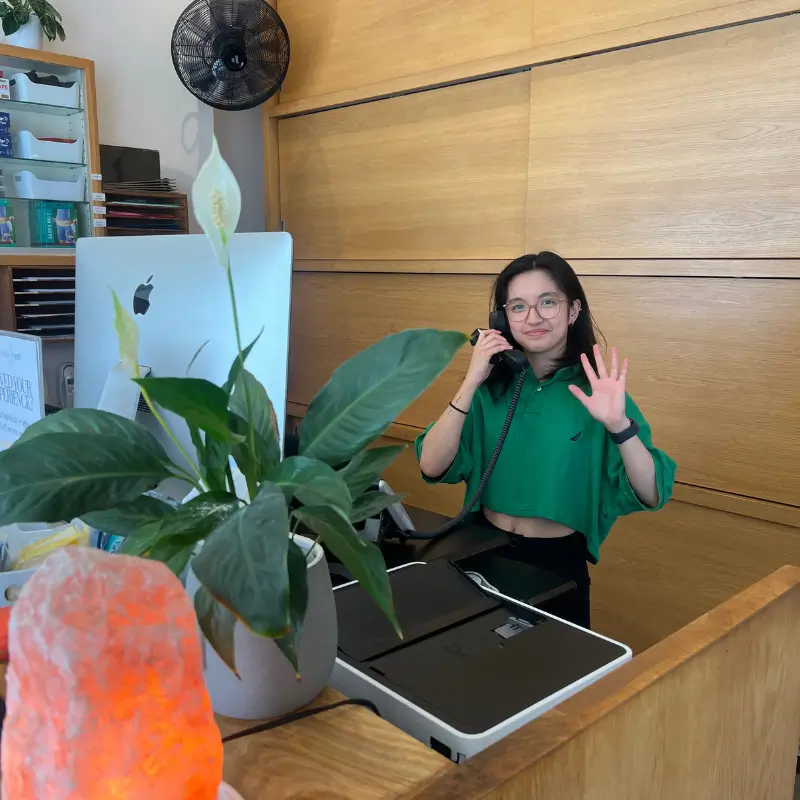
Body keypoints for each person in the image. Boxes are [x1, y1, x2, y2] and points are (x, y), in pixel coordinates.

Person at [415, 252, 676, 629]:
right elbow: (431, 465)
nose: (533, 318)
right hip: (482, 549)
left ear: (572, 312)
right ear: (502, 319)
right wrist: (471, 381)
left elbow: (652, 492)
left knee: (557, 676)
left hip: (556, 561)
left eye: (548, 302)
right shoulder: (489, 391)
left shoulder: (598, 392)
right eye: (518, 307)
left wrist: (619, 425)